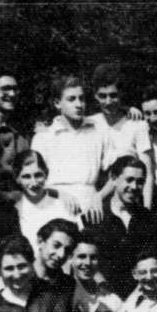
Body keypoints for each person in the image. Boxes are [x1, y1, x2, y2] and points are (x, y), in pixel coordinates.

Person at [30, 75, 118, 212]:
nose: (79, 104)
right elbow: (32, 179)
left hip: (91, 206)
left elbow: (118, 172)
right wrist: (59, 194)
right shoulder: (43, 137)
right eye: (71, 99)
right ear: (57, 103)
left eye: (81, 98)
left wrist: (100, 196)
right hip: (53, 202)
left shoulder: (98, 131)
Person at [87, 155, 157, 298]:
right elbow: (86, 262)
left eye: (140, 182)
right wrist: (107, 294)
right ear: (114, 179)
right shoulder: (97, 215)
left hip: (141, 295)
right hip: (103, 296)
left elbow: (154, 259)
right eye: (129, 180)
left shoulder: (147, 218)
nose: (134, 187)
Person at [90, 63, 156, 208]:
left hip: (129, 199)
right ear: (95, 95)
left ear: (121, 94)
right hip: (96, 200)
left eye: (113, 96)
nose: (108, 102)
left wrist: (146, 211)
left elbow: (148, 173)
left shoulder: (137, 125)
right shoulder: (90, 123)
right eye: (102, 96)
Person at [11, 150, 83, 244]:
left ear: (46, 174)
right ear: (17, 178)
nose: (34, 182)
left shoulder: (64, 204)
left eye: (38, 175)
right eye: (26, 177)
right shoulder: (15, 210)